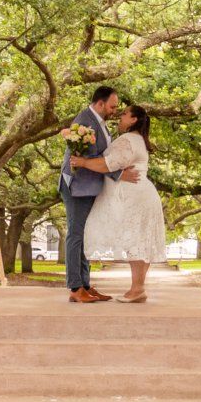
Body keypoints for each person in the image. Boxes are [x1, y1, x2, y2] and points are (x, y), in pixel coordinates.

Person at [59, 85, 140, 303]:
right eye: (112, 106)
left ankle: (85, 284)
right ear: (100, 103)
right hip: (77, 186)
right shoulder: (85, 121)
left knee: (84, 236)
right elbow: (90, 160)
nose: (115, 111)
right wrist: (119, 174)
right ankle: (75, 288)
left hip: (89, 187)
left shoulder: (99, 123)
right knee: (75, 235)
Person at [80, 105, 165, 303]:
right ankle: (139, 288)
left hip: (135, 196)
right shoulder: (139, 141)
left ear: (134, 119)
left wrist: (82, 162)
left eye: (125, 114)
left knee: (135, 241)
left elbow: (108, 164)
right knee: (140, 242)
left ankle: (137, 289)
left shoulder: (128, 140)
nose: (121, 115)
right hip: (144, 194)